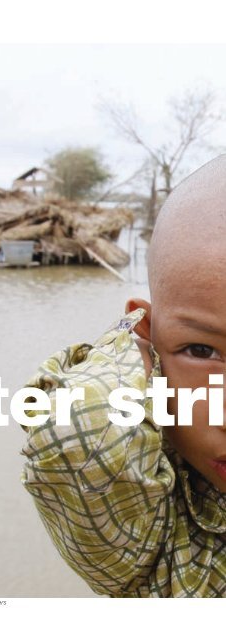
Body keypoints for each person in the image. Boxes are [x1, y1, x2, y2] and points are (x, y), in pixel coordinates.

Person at [20, 155, 226, 598]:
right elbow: (81, 428)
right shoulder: (156, 540)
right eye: (202, 351)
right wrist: (127, 344)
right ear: (151, 344)